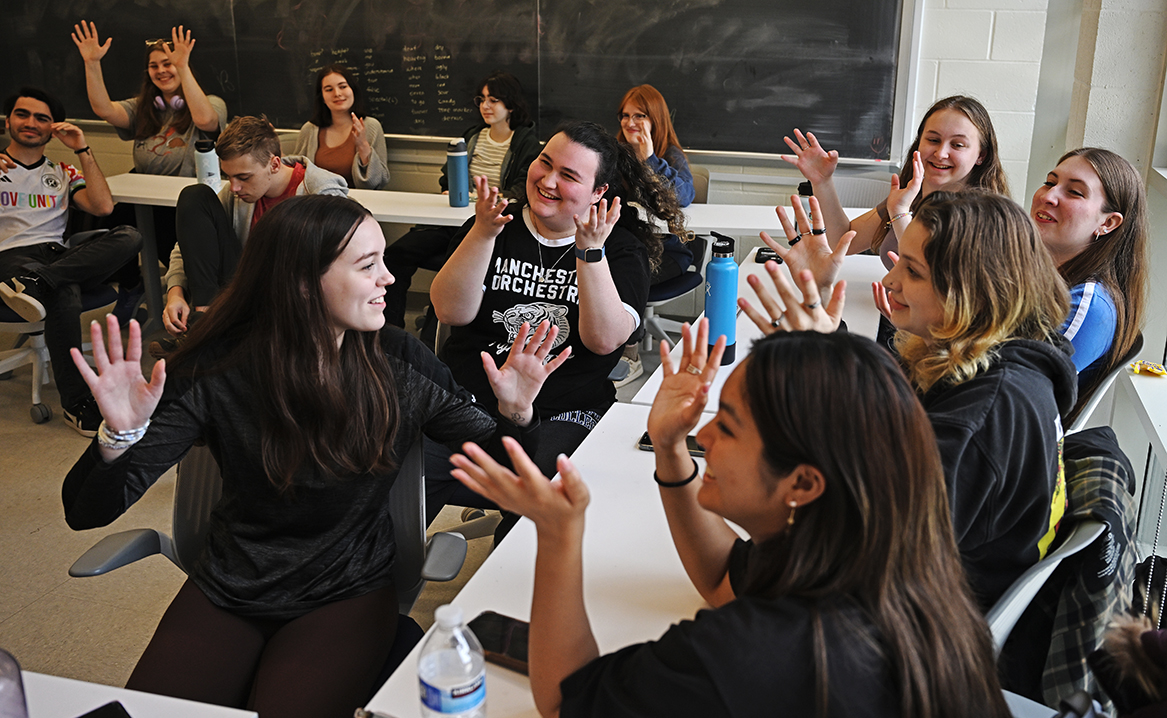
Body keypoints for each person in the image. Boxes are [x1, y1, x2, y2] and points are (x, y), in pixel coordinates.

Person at [61, 194, 568, 717]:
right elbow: (87, 512)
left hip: (345, 592)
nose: (390, 280)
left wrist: (516, 412)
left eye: (384, 262)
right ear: (302, 283)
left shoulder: (398, 361)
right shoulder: (215, 367)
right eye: (368, 266)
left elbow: (510, 474)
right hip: (229, 588)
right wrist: (120, 436)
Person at [448, 323, 1011, 718]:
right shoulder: (881, 562)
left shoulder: (745, 655)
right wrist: (669, 451)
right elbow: (723, 581)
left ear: (802, 483)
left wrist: (558, 533)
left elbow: (565, 699)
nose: (706, 438)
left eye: (731, 427)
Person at [741, 191, 1077, 611]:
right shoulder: (994, 358)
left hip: (924, 624)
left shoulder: (984, 413)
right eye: (898, 260)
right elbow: (890, 414)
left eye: (913, 271)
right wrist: (827, 330)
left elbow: (862, 550)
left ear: (970, 289)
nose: (889, 281)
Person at [427, 120, 685, 528]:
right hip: (470, 399)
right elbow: (449, 311)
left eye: (568, 175)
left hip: (564, 410)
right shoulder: (495, 222)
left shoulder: (618, 249)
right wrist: (481, 233)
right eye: (544, 163)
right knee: (396, 484)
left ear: (599, 193)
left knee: (539, 502)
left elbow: (603, 342)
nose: (547, 180)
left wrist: (590, 253)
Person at [0, 86, 142, 436]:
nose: (31, 123)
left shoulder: (62, 170)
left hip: (58, 256)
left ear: (53, 128)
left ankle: (43, 281)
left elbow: (102, 207)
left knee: (129, 235)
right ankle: (77, 403)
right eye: (23, 114)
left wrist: (81, 147)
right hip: (10, 258)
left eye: (42, 118)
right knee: (64, 291)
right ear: (8, 121)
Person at [158, 115, 348, 345]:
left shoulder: (321, 195)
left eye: (243, 177)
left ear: (275, 164)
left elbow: (333, 270)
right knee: (194, 196)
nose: (235, 186)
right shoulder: (236, 193)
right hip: (242, 288)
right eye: (229, 176)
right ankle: (204, 318)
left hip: (289, 298)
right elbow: (191, 244)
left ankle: (207, 338)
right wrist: (175, 292)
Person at [382, 71, 541, 329]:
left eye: (494, 100)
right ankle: (390, 333)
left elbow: (520, 189)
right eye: (482, 99)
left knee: (454, 268)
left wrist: (482, 198)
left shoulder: (526, 144)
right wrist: (453, 191)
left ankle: (435, 339)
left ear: (510, 105)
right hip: (453, 220)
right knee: (396, 255)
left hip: (488, 227)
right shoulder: (471, 136)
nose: (485, 106)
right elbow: (447, 178)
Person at [782, 95, 1009, 271]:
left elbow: (933, 279)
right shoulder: (910, 194)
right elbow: (844, 240)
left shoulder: (986, 219)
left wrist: (900, 213)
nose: (941, 153)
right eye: (933, 140)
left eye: (958, 145)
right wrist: (822, 182)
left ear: (981, 155)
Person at [71, 23, 228, 268]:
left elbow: (205, 120)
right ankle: (131, 288)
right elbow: (104, 109)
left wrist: (183, 67)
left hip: (186, 202)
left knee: (177, 244)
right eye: (154, 66)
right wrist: (92, 63)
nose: (161, 71)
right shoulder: (143, 107)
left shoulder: (211, 103)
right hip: (148, 198)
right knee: (112, 222)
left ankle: (183, 289)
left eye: (168, 63)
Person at [1031, 148, 1148, 423]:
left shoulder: (1089, 304)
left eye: (1074, 192)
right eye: (1050, 182)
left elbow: (1014, 391)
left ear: (1107, 223)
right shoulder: (1036, 272)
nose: (1048, 196)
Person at [610, 84, 696, 386]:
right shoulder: (616, 153)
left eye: (640, 115)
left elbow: (684, 195)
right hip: (627, 246)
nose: (629, 123)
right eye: (625, 115)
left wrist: (648, 159)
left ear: (655, 119)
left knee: (629, 273)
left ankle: (630, 354)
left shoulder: (669, 155)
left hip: (669, 251)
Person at [291, 64, 389, 189]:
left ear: (353, 90)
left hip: (357, 203)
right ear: (322, 97)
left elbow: (377, 183)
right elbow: (296, 174)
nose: (337, 93)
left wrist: (363, 145)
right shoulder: (310, 129)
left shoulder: (371, 127)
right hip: (319, 202)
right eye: (329, 89)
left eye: (343, 87)